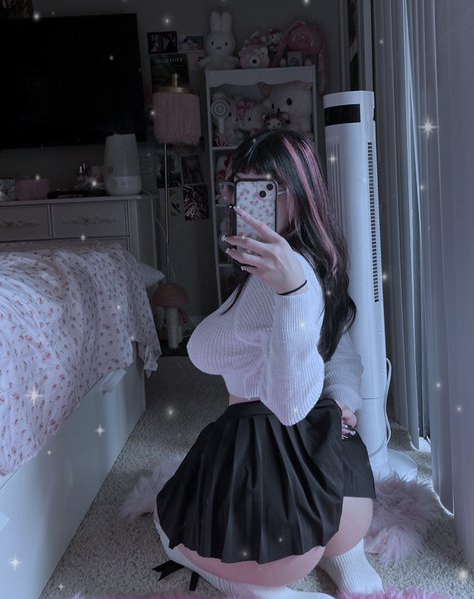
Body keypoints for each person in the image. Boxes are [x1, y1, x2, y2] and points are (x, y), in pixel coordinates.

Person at [153, 129, 384, 598]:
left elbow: (287, 404)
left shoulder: (285, 278)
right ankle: (345, 554)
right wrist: (341, 399)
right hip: (328, 458)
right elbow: (336, 343)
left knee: (168, 523)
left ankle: (258, 588)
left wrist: (290, 295)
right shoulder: (313, 261)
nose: (247, 204)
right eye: (240, 188)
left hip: (261, 440)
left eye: (265, 190)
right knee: (328, 523)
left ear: (299, 194)